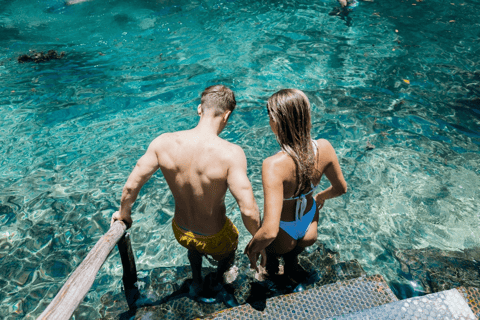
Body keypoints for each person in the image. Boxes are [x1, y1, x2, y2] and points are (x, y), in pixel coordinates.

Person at [111, 85, 262, 304]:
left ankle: (197, 281)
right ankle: (219, 280)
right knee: (230, 248)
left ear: (199, 109)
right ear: (227, 115)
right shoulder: (231, 153)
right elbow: (248, 210)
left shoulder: (163, 142)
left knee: (193, 246)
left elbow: (131, 188)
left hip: (180, 231)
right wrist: (259, 243)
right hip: (215, 237)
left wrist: (124, 214)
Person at [244, 89, 347, 289]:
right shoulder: (324, 147)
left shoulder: (273, 165)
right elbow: (341, 188)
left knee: (271, 260)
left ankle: (273, 269)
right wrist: (319, 197)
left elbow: (270, 231)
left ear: (276, 121)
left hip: (283, 230)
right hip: (309, 225)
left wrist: (252, 250)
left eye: (269, 116)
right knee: (293, 253)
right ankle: (292, 265)